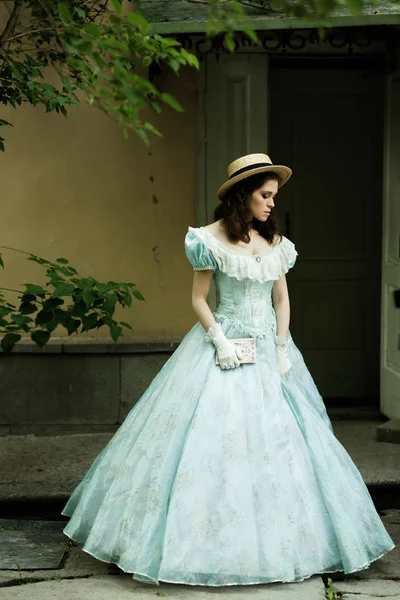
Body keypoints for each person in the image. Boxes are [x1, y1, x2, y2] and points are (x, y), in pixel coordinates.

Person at [62, 153, 394, 587]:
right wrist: (218, 338)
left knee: (285, 440)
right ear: (244, 195)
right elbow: (199, 298)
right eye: (265, 195)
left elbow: (281, 299)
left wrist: (281, 347)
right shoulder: (207, 240)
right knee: (211, 439)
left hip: (269, 349)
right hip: (224, 344)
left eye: (275, 196)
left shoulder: (275, 243)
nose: (273, 203)